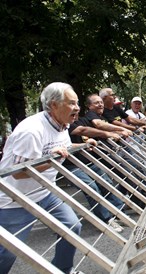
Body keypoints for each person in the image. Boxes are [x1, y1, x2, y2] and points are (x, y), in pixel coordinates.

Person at [0, 82, 82, 273]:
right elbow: (18, 172)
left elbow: (65, 150)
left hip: (45, 193)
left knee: (71, 227)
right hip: (14, 199)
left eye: (77, 103)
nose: (77, 108)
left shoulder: (62, 126)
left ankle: (63, 269)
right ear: (54, 105)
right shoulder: (31, 130)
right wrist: (51, 160)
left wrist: (84, 146)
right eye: (71, 103)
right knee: (7, 253)